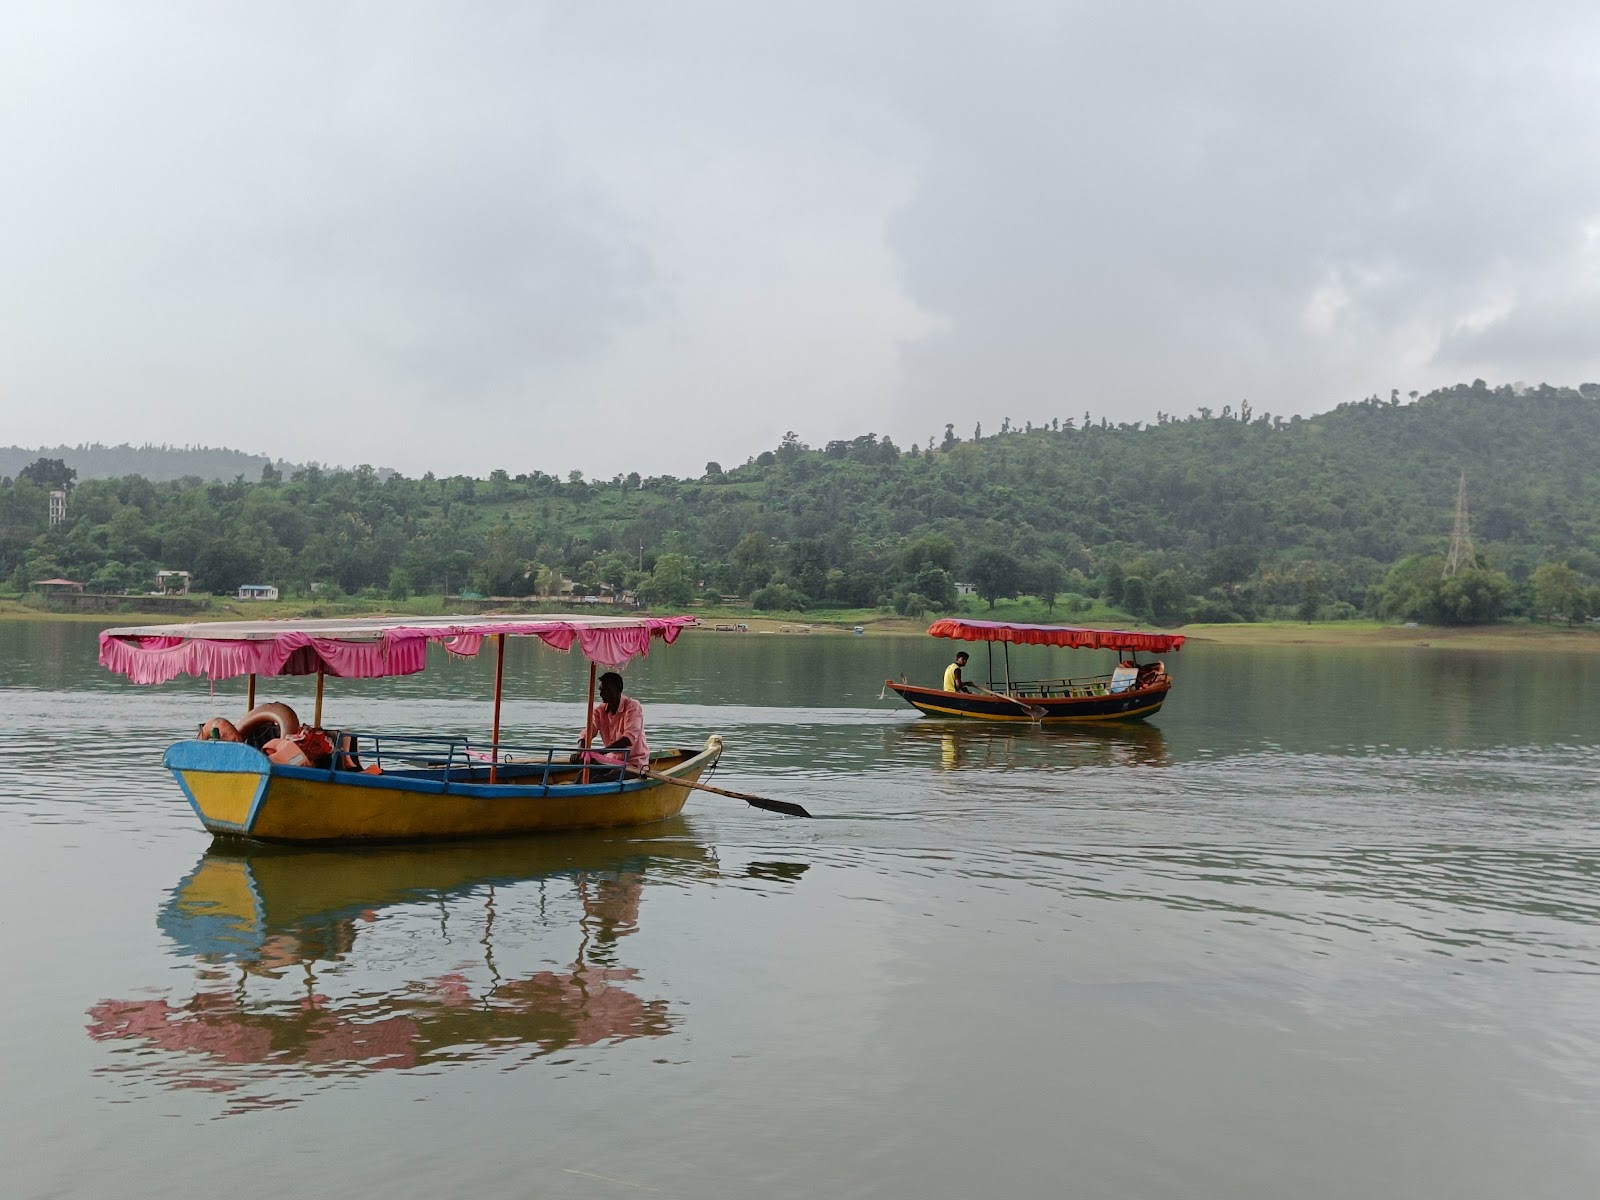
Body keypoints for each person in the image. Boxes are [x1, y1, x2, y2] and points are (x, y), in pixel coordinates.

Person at [576, 671, 649, 771]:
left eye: (606, 690)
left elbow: (628, 738)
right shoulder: (599, 711)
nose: (601, 694)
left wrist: (601, 752)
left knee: (599, 780)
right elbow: (587, 733)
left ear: (618, 690)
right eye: (601, 690)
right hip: (610, 761)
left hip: (633, 764)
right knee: (583, 775)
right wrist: (580, 751)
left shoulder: (633, 707)